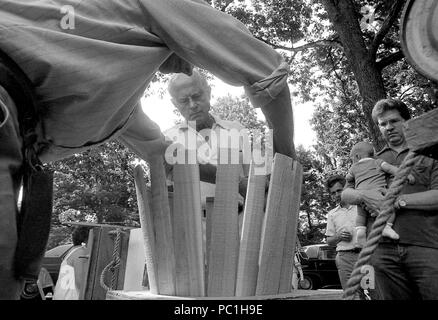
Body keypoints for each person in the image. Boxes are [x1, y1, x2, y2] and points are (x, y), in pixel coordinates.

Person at [0, 0, 295, 299]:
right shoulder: (156, 5)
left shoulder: (122, 106)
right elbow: (264, 69)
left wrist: (249, 181)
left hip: (15, 146)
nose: (191, 63)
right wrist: (289, 162)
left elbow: (162, 156)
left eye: (197, 94)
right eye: (184, 99)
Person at [342, 98, 438, 300]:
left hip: (425, 245)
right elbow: (346, 194)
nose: (388, 127)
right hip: (379, 248)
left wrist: (399, 201)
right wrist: (364, 196)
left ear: (406, 121)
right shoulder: (371, 160)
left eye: (394, 121)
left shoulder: (429, 153)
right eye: (383, 124)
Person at [346, 141, 415, 248]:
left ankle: (360, 233)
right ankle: (387, 227)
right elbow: (391, 169)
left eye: (352, 159)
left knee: (360, 216)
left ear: (357, 156)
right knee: (390, 209)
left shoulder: (353, 168)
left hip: (360, 196)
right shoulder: (377, 162)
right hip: (377, 193)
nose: (352, 161)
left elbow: (348, 178)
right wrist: (404, 175)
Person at [324, 175, 360, 293]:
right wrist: (338, 236)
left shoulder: (361, 206)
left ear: (346, 188)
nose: (336, 195)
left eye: (339, 190)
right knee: (351, 294)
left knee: (372, 290)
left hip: (366, 255)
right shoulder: (332, 214)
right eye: (333, 193)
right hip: (345, 258)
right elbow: (329, 241)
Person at [53, 226, 90, 300]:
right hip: (68, 297)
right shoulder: (81, 252)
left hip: (62, 295)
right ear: (87, 238)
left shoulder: (75, 249)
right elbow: (80, 282)